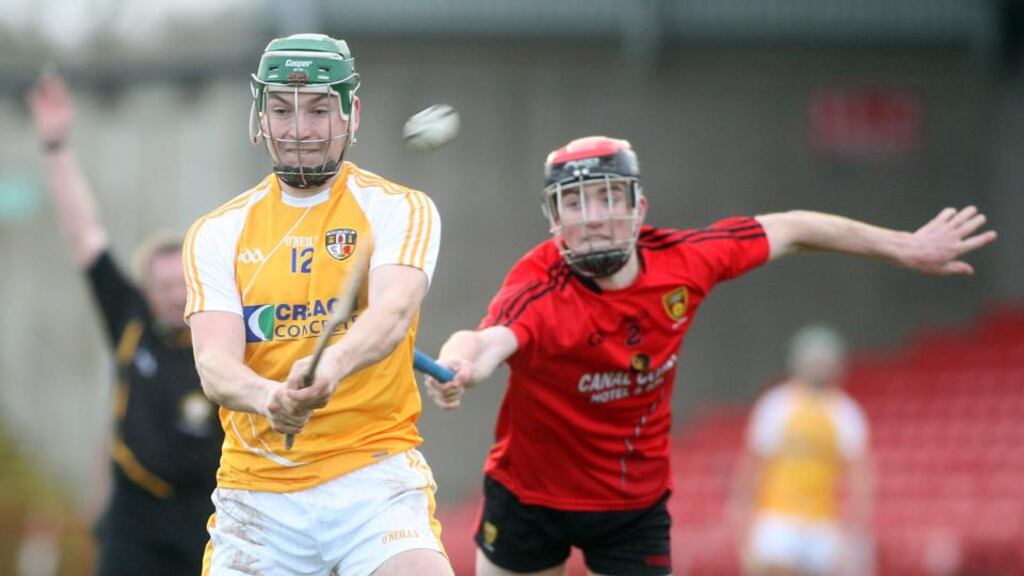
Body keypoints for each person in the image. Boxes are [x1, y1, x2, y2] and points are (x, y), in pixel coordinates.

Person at [423, 135, 996, 576]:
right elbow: (486, 339)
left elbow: (794, 227)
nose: (592, 216)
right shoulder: (537, 284)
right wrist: (463, 367)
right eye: (573, 203)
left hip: (631, 505)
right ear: (555, 220)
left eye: (605, 197)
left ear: (638, 206)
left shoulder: (686, 262)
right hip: (529, 497)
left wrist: (906, 247)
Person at [183, 33, 453, 576]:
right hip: (257, 493)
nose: (299, 130)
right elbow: (215, 366)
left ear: (352, 114)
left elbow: (392, 313)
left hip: (372, 478)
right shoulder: (217, 232)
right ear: (259, 117)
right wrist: (268, 397)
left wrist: (329, 366)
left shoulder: (399, 208)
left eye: (319, 109)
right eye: (281, 110)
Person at [26, 72, 223, 575]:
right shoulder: (130, 319)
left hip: (211, 514)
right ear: (146, 289)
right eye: (161, 286)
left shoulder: (224, 331)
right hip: (135, 517)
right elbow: (84, 232)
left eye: (181, 283)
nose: (173, 295)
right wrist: (55, 145)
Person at [731, 325, 873, 576]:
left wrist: (853, 532)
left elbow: (861, 477)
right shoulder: (775, 405)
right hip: (778, 519)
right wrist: (743, 522)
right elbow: (752, 467)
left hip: (822, 522)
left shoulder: (845, 413)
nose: (818, 367)